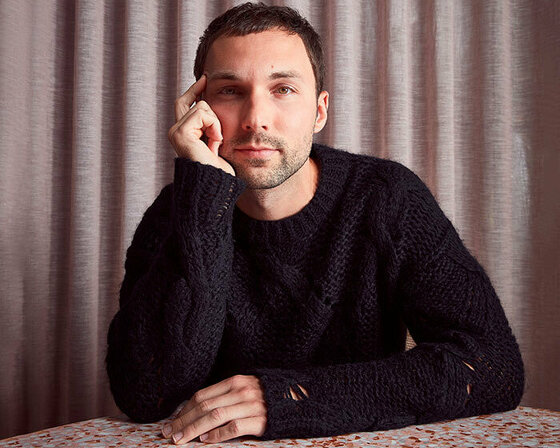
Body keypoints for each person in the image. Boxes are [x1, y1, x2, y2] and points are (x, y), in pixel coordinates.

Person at [106, 2, 524, 445]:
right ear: (198, 108)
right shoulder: (180, 212)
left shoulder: (386, 198)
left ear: (320, 111)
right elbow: (144, 394)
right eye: (230, 90)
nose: (255, 120)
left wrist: (288, 398)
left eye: (282, 89)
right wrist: (205, 201)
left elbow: (492, 365)